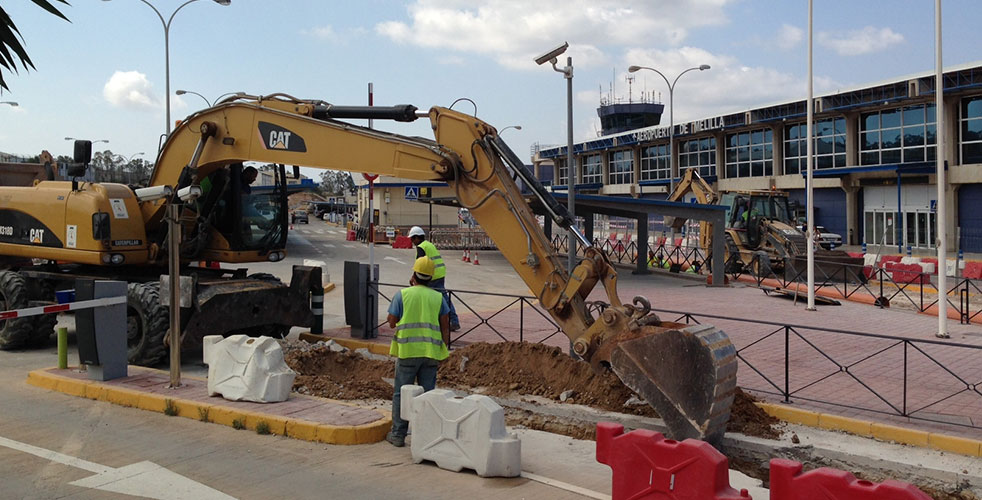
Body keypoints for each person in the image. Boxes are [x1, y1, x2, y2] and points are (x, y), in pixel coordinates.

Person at [385, 256, 450, 447]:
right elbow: (445, 326)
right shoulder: (438, 297)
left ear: (414, 275)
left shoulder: (402, 295)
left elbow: (391, 322)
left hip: (408, 352)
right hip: (431, 353)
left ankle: (398, 435)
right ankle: (426, 436)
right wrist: (443, 349)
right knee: (427, 395)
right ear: (431, 278)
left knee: (401, 394)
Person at [407, 225, 460, 331]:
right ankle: (453, 321)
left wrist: (414, 277)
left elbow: (420, 263)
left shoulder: (421, 246)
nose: (412, 241)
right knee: (443, 298)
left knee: (429, 298)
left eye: (412, 238)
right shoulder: (429, 244)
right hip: (440, 274)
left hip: (432, 276)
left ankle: (432, 321)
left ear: (417, 238)